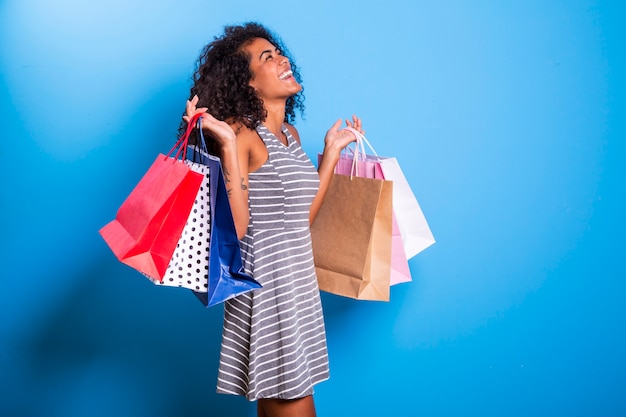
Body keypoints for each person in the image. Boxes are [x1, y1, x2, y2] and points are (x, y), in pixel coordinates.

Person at [181, 22, 363, 417]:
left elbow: (300, 220)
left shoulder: (291, 136)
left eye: (278, 52)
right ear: (247, 83)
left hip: (297, 288)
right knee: (293, 404)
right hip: (270, 292)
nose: (281, 59)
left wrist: (331, 153)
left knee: (279, 406)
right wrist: (227, 145)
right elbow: (239, 229)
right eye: (267, 58)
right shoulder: (243, 133)